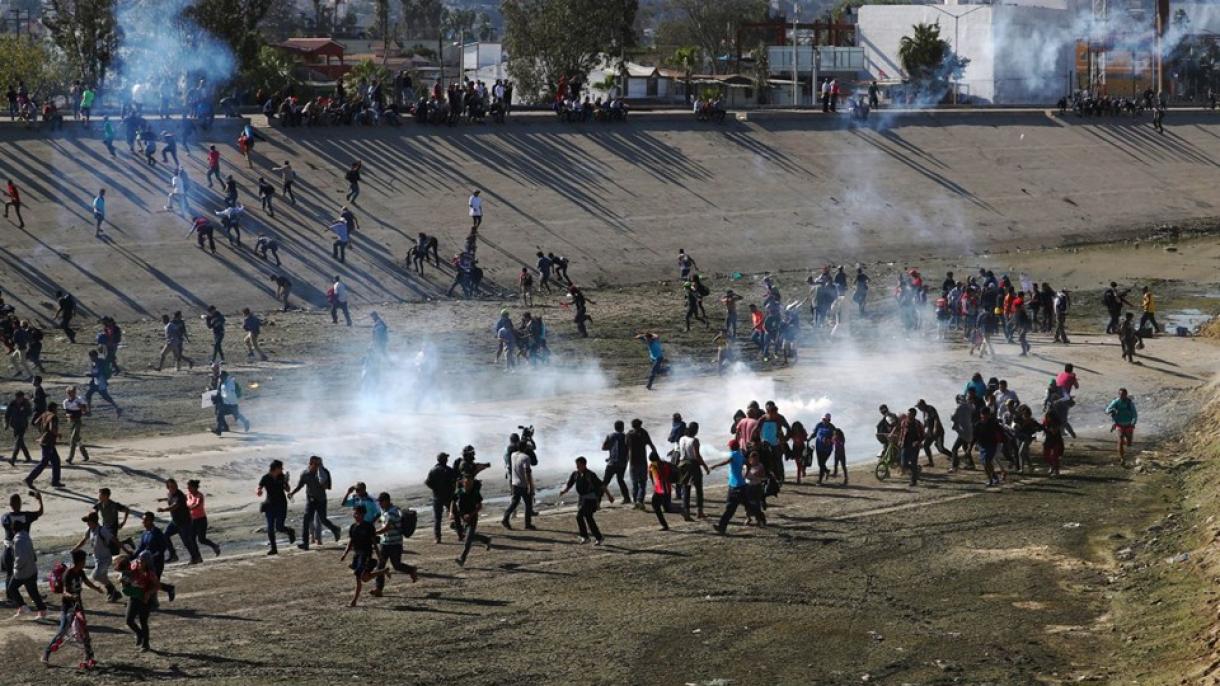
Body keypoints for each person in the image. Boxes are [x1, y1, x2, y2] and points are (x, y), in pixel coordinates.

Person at [41, 548, 102, 668]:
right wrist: (72, 596)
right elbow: (64, 592)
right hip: (67, 607)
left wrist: (96, 588)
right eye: (84, 560)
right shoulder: (68, 573)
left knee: (84, 630)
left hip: (78, 606)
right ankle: (46, 654)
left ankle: (89, 657)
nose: (85, 563)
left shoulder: (80, 572)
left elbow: (86, 581)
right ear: (80, 561)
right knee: (62, 630)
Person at [369, 493, 418, 598]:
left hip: (395, 543)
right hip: (385, 543)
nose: (380, 504)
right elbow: (382, 520)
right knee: (380, 566)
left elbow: (387, 528)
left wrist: (374, 533)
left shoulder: (392, 512)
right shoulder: (386, 510)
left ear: (386, 501)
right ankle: (379, 589)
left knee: (397, 565)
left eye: (381, 502)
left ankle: (411, 570)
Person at [711, 440, 764, 534]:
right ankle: (761, 519)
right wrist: (746, 473)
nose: (729, 448)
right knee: (748, 505)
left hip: (735, 486)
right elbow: (747, 464)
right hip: (740, 485)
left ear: (732, 447)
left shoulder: (734, 454)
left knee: (730, 508)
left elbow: (727, 461)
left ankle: (722, 527)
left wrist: (715, 465)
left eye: (729, 446)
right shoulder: (740, 455)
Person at [339, 504, 387, 607]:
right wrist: (345, 553)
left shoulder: (368, 526)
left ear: (363, 514)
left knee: (360, 577)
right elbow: (351, 541)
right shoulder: (353, 527)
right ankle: (383, 571)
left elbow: (374, 542)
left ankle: (354, 601)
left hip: (366, 555)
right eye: (355, 513)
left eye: (357, 513)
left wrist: (379, 555)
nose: (355, 515)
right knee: (363, 578)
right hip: (357, 555)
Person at [558, 456, 613, 545]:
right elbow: (570, 484)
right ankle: (599, 537)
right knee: (589, 518)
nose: (577, 467)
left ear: (584, 465)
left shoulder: (590, 475)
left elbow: (602, 485)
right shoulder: (575, 474)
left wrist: (609, 496)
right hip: (582, 499)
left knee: (579, 516)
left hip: (591, 499)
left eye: (579, 465)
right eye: (577, 465)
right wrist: (564, 491)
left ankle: (585, 537)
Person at [291, 456, 342, 549]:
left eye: (319, 464)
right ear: (310, 464)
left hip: (321, 500)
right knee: (306, 520)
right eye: (316, 464)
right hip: (310, 499)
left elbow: (328, 487)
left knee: (323, 520)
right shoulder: (305, 474)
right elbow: (300, 486)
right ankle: (305, 543)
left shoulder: (324, 472)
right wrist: (292, 493)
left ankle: (335, 529)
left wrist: (322, 481)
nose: (318, 466)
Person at [73, 511, 121, 602]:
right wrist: (74, 549)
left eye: (88, 521)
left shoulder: (102, 530)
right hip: (97, 559)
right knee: (102, 576)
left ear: (94, 521)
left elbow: (113, 539)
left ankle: (112, 590)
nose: (87, 523)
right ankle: (113, 593)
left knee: (96, 576)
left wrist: (124, 549)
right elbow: (83, 540)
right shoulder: (89, 530)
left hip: (106, 558)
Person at [116, 553, 158, 652]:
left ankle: (145, 644)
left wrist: (148, 593)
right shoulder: (133, 567)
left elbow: (157, 586)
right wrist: (121, 580)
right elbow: (122, 573)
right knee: (129, 620)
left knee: (143, 621)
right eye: (138, 560)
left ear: (147, 563)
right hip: (134, 597)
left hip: (145, 599)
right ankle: (139, 634)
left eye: (141, 561)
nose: (139, 563)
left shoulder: (150, 573)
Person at [157, 478, 202, 564]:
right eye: (171, 486)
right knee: (165, 535)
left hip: (185, 522)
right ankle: (173, 555)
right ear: (168, 487)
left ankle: (196, 557)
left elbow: (175, 505)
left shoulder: (180, 495)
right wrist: (163, 499)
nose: (174, 487)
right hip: (175, 522)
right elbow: (170, 498)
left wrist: (164, 510)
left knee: (187, 542)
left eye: (175, 486)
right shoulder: (170, 494)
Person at [256, 460, 295, 555]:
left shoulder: (282, 477)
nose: (282, 470)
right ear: (276, 468)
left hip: (281, 505)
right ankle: (274, 549)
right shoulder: (265, 477)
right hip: (269, 505)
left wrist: (286, 482)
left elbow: (288, 489)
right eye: (281, 468)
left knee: (279, 527)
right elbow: (259, 487)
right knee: (270, 528)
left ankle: (290, 531)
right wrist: (259, 491)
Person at [7, 521, 45, 619]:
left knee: (12, 588)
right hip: (31, 568)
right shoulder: (26, 536)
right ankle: (40, 610)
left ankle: (23, 606)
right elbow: (31, 551)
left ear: (13, 530)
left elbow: (21, 557)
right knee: (33, 592)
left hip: (23, 571)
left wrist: (16, 567)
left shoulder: (18, 540)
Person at [453, 472, 491, 566]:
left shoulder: (475, 492)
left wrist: (470, 515)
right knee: (468, 535)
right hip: (462, 516)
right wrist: (451, 512)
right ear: (463, 482)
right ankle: (486, 540)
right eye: (467, 481)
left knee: (468, 540)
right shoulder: (459, 492)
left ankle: (462, 559)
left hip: (472, 517)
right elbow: (453, 502)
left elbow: (479, 506)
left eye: (471, 481)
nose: (469, 483)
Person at [25, 401, 62, 489]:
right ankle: (29, 479)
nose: (57, 410)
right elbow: (52, 428)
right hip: (48, 442)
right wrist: (57, 434)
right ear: (53, 408)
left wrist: (42, 432)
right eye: (56, 408)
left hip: (45, 441)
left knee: (56, 461)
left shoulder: (44, 414)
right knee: (44, 462)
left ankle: (55, 481)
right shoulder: (53, 416)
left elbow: (36, 423)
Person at [676, 422, 709, 520]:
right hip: (692, 465)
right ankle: (699, 512)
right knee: (698, 488)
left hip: (682, 464)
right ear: (696, 430)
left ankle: (686, 511)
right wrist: (705, 466)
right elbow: (697, 456)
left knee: (686, 489)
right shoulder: (695, 441)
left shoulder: (682, 438)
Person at [425, 453, 458, 543]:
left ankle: (437, 538)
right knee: (456, 514)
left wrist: (435, 488)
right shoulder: (449, 470)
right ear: (445, 460)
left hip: (437, 497)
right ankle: (460, 534)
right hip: (448, 496)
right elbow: (455, 481)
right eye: (446, 458)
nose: (447, 460)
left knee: (437, 519)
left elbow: (427, 482)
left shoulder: (433, 470)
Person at [501, 444, 536, 530]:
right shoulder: (526, 457)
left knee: (514, 503)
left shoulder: (513, 455)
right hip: (523, 484)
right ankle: (527, 524)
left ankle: (505, 518)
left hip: (514, 483)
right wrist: (530, 486)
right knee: (528, 504)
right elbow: (527, 473)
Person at [626, 418, 658, 509]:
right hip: (642, 462)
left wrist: (625, 460)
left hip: (632, 463)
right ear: (640, 425)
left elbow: (626, 448)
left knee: (634, 483)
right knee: (642, 483)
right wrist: (655, 458)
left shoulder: (629, 434)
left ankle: (636, 502)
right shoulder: (644, 433)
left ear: (632, 425)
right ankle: (640, 501)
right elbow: (651, 445)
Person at [184, 480, 221, 557]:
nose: (188, 488)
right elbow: (179, 498)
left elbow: (197, 505)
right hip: (192, 520)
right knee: (191, 539)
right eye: (188, 487)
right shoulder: (188, 495)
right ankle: (197, 556)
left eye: (189, 487)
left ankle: (215, 546)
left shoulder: (199, 496)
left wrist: (188, 508)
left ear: (195, 487)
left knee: (201, 539)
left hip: (201, 520)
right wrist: (164, 499)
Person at [601, 420, 631, 504]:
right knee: (620, 480)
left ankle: (597, 499)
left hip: (612, 463)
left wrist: (611, 449)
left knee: (605, 482)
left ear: (615, 427)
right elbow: (629, 449)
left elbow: (603, 448)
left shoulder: (610, 436)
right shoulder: (626, 437)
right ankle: (627, 498)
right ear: (623, 427)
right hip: (622, 463)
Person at [1106, 388, 1138, 466]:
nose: (1121, 396)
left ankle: (1127, 450)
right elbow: (1107, 410)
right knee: (1120, 441)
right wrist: (1111, 410)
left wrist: (1133, 423)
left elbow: (1134, 414)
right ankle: (1122, 458)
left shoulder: (1130, 403)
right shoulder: (1116, 401)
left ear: (1126, 395)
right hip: (1119, 424)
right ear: (1118, 394)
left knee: (1129, 444)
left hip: (1129, 425)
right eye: (1120, 394)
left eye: (1123, 394)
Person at [5, 390, 33, 465]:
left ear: (22, 397)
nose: (18, 399)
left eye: (19, 398)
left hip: (23, 425)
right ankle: (28, 457)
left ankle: (13, 459)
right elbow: (7, 414)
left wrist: (23, 411)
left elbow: (30, 413)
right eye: (17, 398)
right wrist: (6, 424)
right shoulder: (12, 403)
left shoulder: (26, 403)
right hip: (14, 425)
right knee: (21, 443)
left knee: (18, 442)